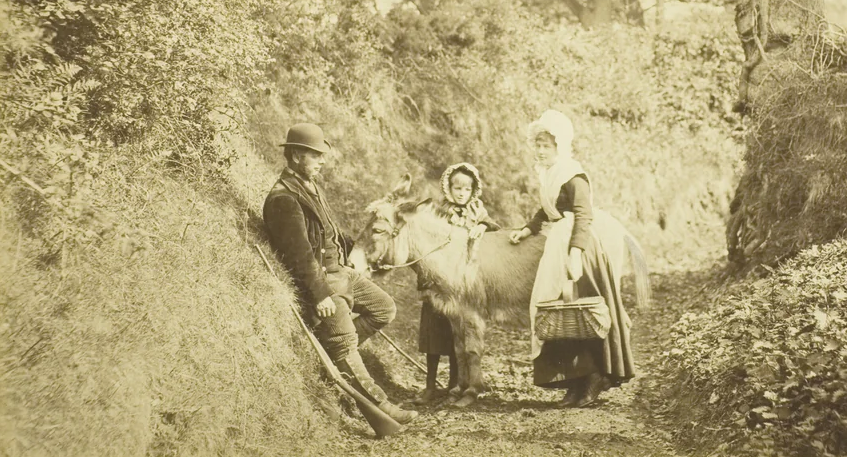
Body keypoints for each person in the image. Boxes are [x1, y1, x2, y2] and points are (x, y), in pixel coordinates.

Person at [262, 122, 418, 427]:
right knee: (346, 342)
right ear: (295, 156)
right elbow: (300, 255)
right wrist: (320, 295)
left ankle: (334, 350)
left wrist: (356, 251)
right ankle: (381, 410)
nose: (322, 161)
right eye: (315, 155)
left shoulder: (309, 186)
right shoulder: (283, 199)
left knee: (384, 308)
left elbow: (328, 233)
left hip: (341, 272)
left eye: (322, 155)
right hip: (322, 279)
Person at [509, 110, 636, 408]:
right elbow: (548, 210)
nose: (540, 150)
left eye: (546, 145)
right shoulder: (550, 174)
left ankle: (595, 377)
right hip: (558, 241)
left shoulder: (573, 174)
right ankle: (575, 380)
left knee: (584, 311)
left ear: (560, 146)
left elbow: (583, 214)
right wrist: (528, 229)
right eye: (537, 145)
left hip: (581, 246)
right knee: (560, 312)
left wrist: (576, 253)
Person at [416, 162, 501, 404]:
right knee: (433, 333)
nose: (462, 194)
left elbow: (494, 226)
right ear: (448, 188)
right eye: (457, 188)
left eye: (466, 189)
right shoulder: (440, 211)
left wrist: (481, 227)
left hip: (465, 281)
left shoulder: (477, 210)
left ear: (473, 190)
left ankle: (459, 384)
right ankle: (431, 385)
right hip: (439, 279)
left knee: (460, 331)